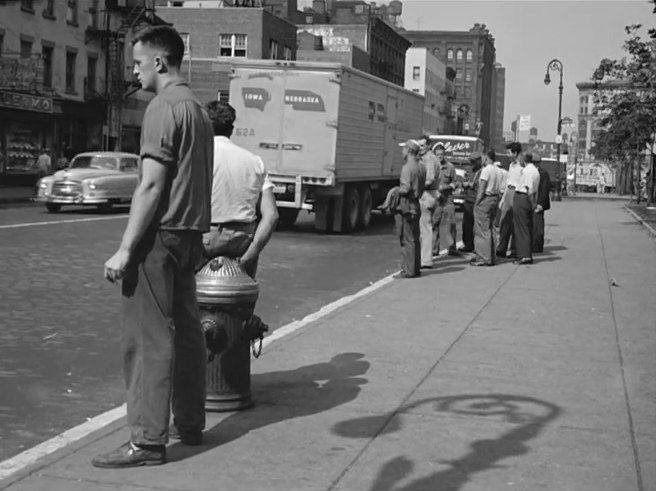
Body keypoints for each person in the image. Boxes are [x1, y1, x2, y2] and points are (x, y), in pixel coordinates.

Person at [93, 26, 214, 468]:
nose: (134, 71)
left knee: (146, 339)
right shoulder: (198, 110)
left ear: (160, 63)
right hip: (190, 235)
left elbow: (150, 183)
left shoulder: (162, 108)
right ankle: (191, 423)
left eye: (138, 63)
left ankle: (146, 441)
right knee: (186, 331)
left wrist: (126, 249)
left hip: (159, 237)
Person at [202, 100, 278, 278]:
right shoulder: (254, 161)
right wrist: (251, 253)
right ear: (231, 129)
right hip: (242, 240)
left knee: (194, 298)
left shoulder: (197, 157)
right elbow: (271, 215)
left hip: (204, 240)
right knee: (240, 299)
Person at [395, 139, 425, 278]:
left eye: (403, 149)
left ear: (409, 150)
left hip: (408, 204)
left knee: (408, 239)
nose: (402, 152)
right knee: (415, 238)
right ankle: (415, 268)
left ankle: (409, 270)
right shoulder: (421, 167)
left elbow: (406, 188)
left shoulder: (407, 167)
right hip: (417, 204)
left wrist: (396, 190)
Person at [471, 150, 504, 266]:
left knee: (481, 229)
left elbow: (482, 188)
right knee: (491, 228)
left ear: (486, 157)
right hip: (495, 198)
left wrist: (477, 202)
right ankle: (491, 254)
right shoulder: (497, 170)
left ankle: (483, 257)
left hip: (486, 198)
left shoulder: (486, 170)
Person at [432, 143, 459, 257]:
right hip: (436, 200)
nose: (440, 156)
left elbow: (456, 182)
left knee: (451, 224)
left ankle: (452, 248)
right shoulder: (432, 167)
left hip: (448, 199)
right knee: (434, 224)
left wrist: (448, 187)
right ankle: (434, 249)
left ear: (444, 154)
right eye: (437, 154)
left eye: (442, 154)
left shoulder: (450, 167)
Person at [512, 152, 540, 265]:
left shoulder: (528, 171)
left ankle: (524, 255)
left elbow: (529, 189)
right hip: (526, 199)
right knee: (526, 227)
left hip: (522, 198)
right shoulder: (535, 171)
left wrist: (532, 203)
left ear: (524, 160)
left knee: (521, 228)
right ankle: (525, 253)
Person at [497, 142, 523, 258]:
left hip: (517, 194)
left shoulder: (522, 167)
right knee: (504, 223)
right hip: (509, 192)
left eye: (509, 152)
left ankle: (514, 250)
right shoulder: (511, 166)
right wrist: (503, 199)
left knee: (515, 224)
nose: (507, 155)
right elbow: (509, 183)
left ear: (515, 153)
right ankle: (501, 248)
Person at [417, 135, 440, 268]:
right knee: (426, 227)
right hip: (430, 194)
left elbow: (430, 179)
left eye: (423, 145)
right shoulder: (429, 158)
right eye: (419, 145)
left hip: (427, 195)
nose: (420, 148)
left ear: (429, 146)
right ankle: (425, 257)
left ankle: (425, 260)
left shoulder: (429, 158)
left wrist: (417, 187)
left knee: (425, 228)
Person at [459, 152, 483, 253]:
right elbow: (464, 182)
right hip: (468, 199)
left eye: (474, 162)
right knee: (467, 225)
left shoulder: (482, 171)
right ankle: (468, 244)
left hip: (477, 200)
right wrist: (465, 183)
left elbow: (479, 185)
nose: (472, 164)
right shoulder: (469, 171)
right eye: (471, 162)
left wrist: (470, 184)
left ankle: (478, 246)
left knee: (477, 226)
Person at [532, 155, 551, 253]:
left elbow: (544, 189)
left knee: (537, 227)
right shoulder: (536, 172)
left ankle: (537, 246)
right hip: (533, 203)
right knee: (534, 226)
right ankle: (534, 245)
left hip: (538, 204)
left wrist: (540, 204)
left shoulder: (543, 174)